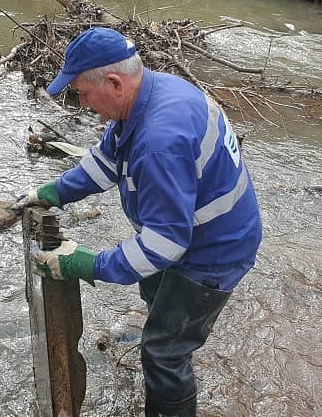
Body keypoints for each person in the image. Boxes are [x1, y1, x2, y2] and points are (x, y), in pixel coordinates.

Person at [15, 27, 262, 417]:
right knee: (157, 301)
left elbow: (164, 245)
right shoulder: (152, 92)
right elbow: (108, 159)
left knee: (163, 353)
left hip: (214, 252)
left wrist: (86, 264)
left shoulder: (159, 142)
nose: (83, 104)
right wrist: (55, 192)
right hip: (192, 228)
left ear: (114, 82)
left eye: (83, 93)